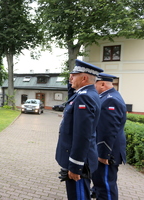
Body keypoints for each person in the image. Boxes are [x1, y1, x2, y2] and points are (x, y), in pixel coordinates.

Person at [55, 59, 103, 200]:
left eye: (74, 75)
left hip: (78, 161)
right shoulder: (84, 94)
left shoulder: (85, 98)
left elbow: (83, 135)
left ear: (84, 78)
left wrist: (76, 166)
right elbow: (72, 95)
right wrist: (72, 81)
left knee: (79, 196)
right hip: (79, 158)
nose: (70, 77)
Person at [91, 73, 127, 200]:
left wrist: (103, 154)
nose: (93, 87)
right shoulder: (107, 97)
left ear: (102, 84)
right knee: (100, 184)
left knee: (106, 186)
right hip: (105, 150)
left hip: (107, 152)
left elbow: (108, 130)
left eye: (94, 84)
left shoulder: (110, 99)